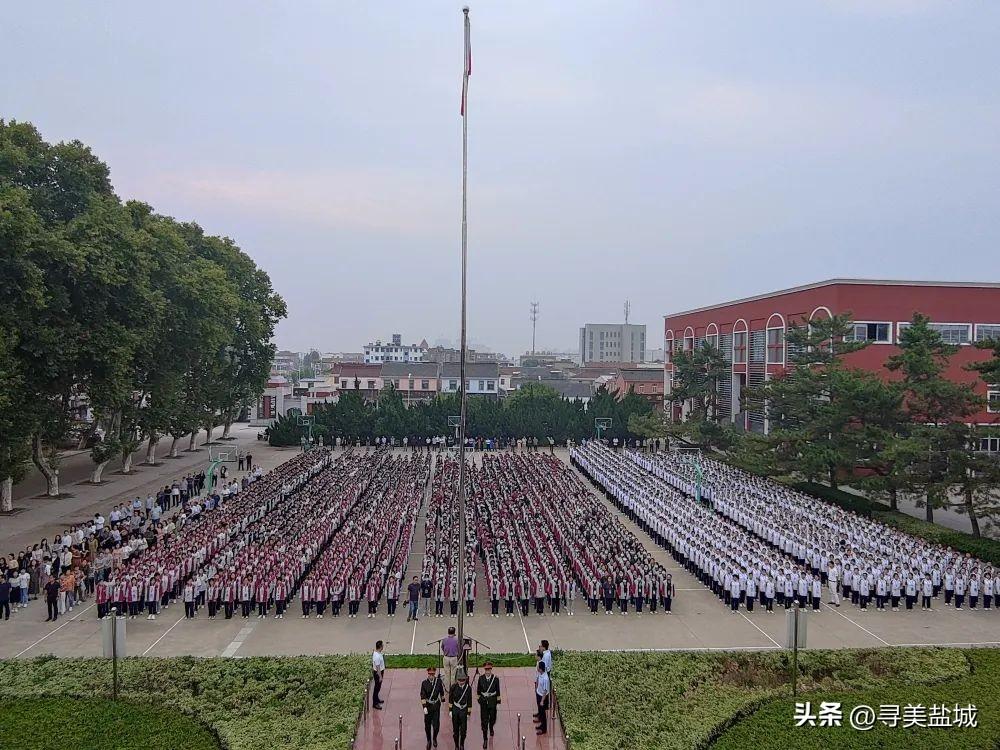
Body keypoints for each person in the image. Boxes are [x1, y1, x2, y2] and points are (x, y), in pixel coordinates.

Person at [476, 662, 501, 749]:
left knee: (493, 718)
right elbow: (478, 691)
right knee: (484, 721)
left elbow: (498, 691)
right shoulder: (481, 678)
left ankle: (491, 727)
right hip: (483, 702)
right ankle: (485, 739)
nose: (487, 671)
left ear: (491, 669)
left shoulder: (496, 679)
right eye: (486, 669)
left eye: (489, 669)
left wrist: (498, 703)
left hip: (492, 701)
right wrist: (479, 700)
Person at [420, 666, 445, 750]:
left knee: (436, 725)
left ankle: (434, 738)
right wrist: (424, 707)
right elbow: (422, 696)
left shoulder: (438, 681)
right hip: (428, 706)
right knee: (427, 725)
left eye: (433, 674)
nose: (431, 676)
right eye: (430, 674)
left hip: (436, 706)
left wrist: (443, 698)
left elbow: (441, 691)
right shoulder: (424, 683)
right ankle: (429, 740)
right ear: (428, 674)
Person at [449, 669, 472, 750]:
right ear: (457, 680)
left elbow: (469, 700)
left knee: (463, 731)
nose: (461, 682)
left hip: (464, 710)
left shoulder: (468, 688)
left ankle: (462, 744)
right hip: (455, 709)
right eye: (459, 680)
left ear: (465, 680)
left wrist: (469, 713)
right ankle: (456, 745)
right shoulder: (453, 687)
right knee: (455, 730)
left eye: (463, 680)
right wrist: (450, 710)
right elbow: (450, 699)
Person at [534, 661, 550, 735]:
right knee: (540, 712)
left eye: (538, 667)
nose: (537, 668)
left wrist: (542, 701)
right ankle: (541, 725)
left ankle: (544, 729)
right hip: (538, 693)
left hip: (542, 697)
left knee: (543, 714)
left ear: (541, 669)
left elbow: (545, 690)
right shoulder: (540, 674)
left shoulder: (545, 678)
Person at [372, 640, 386, 710]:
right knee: (376, 688)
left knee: (378, 687)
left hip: (379, 672)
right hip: (378, 673)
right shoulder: (377, 656)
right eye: (382, 645)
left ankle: (377, 699)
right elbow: (377, 668)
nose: (383, 646)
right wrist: (380, 676)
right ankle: (375, 703)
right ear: (380, 647)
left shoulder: (378, 653)